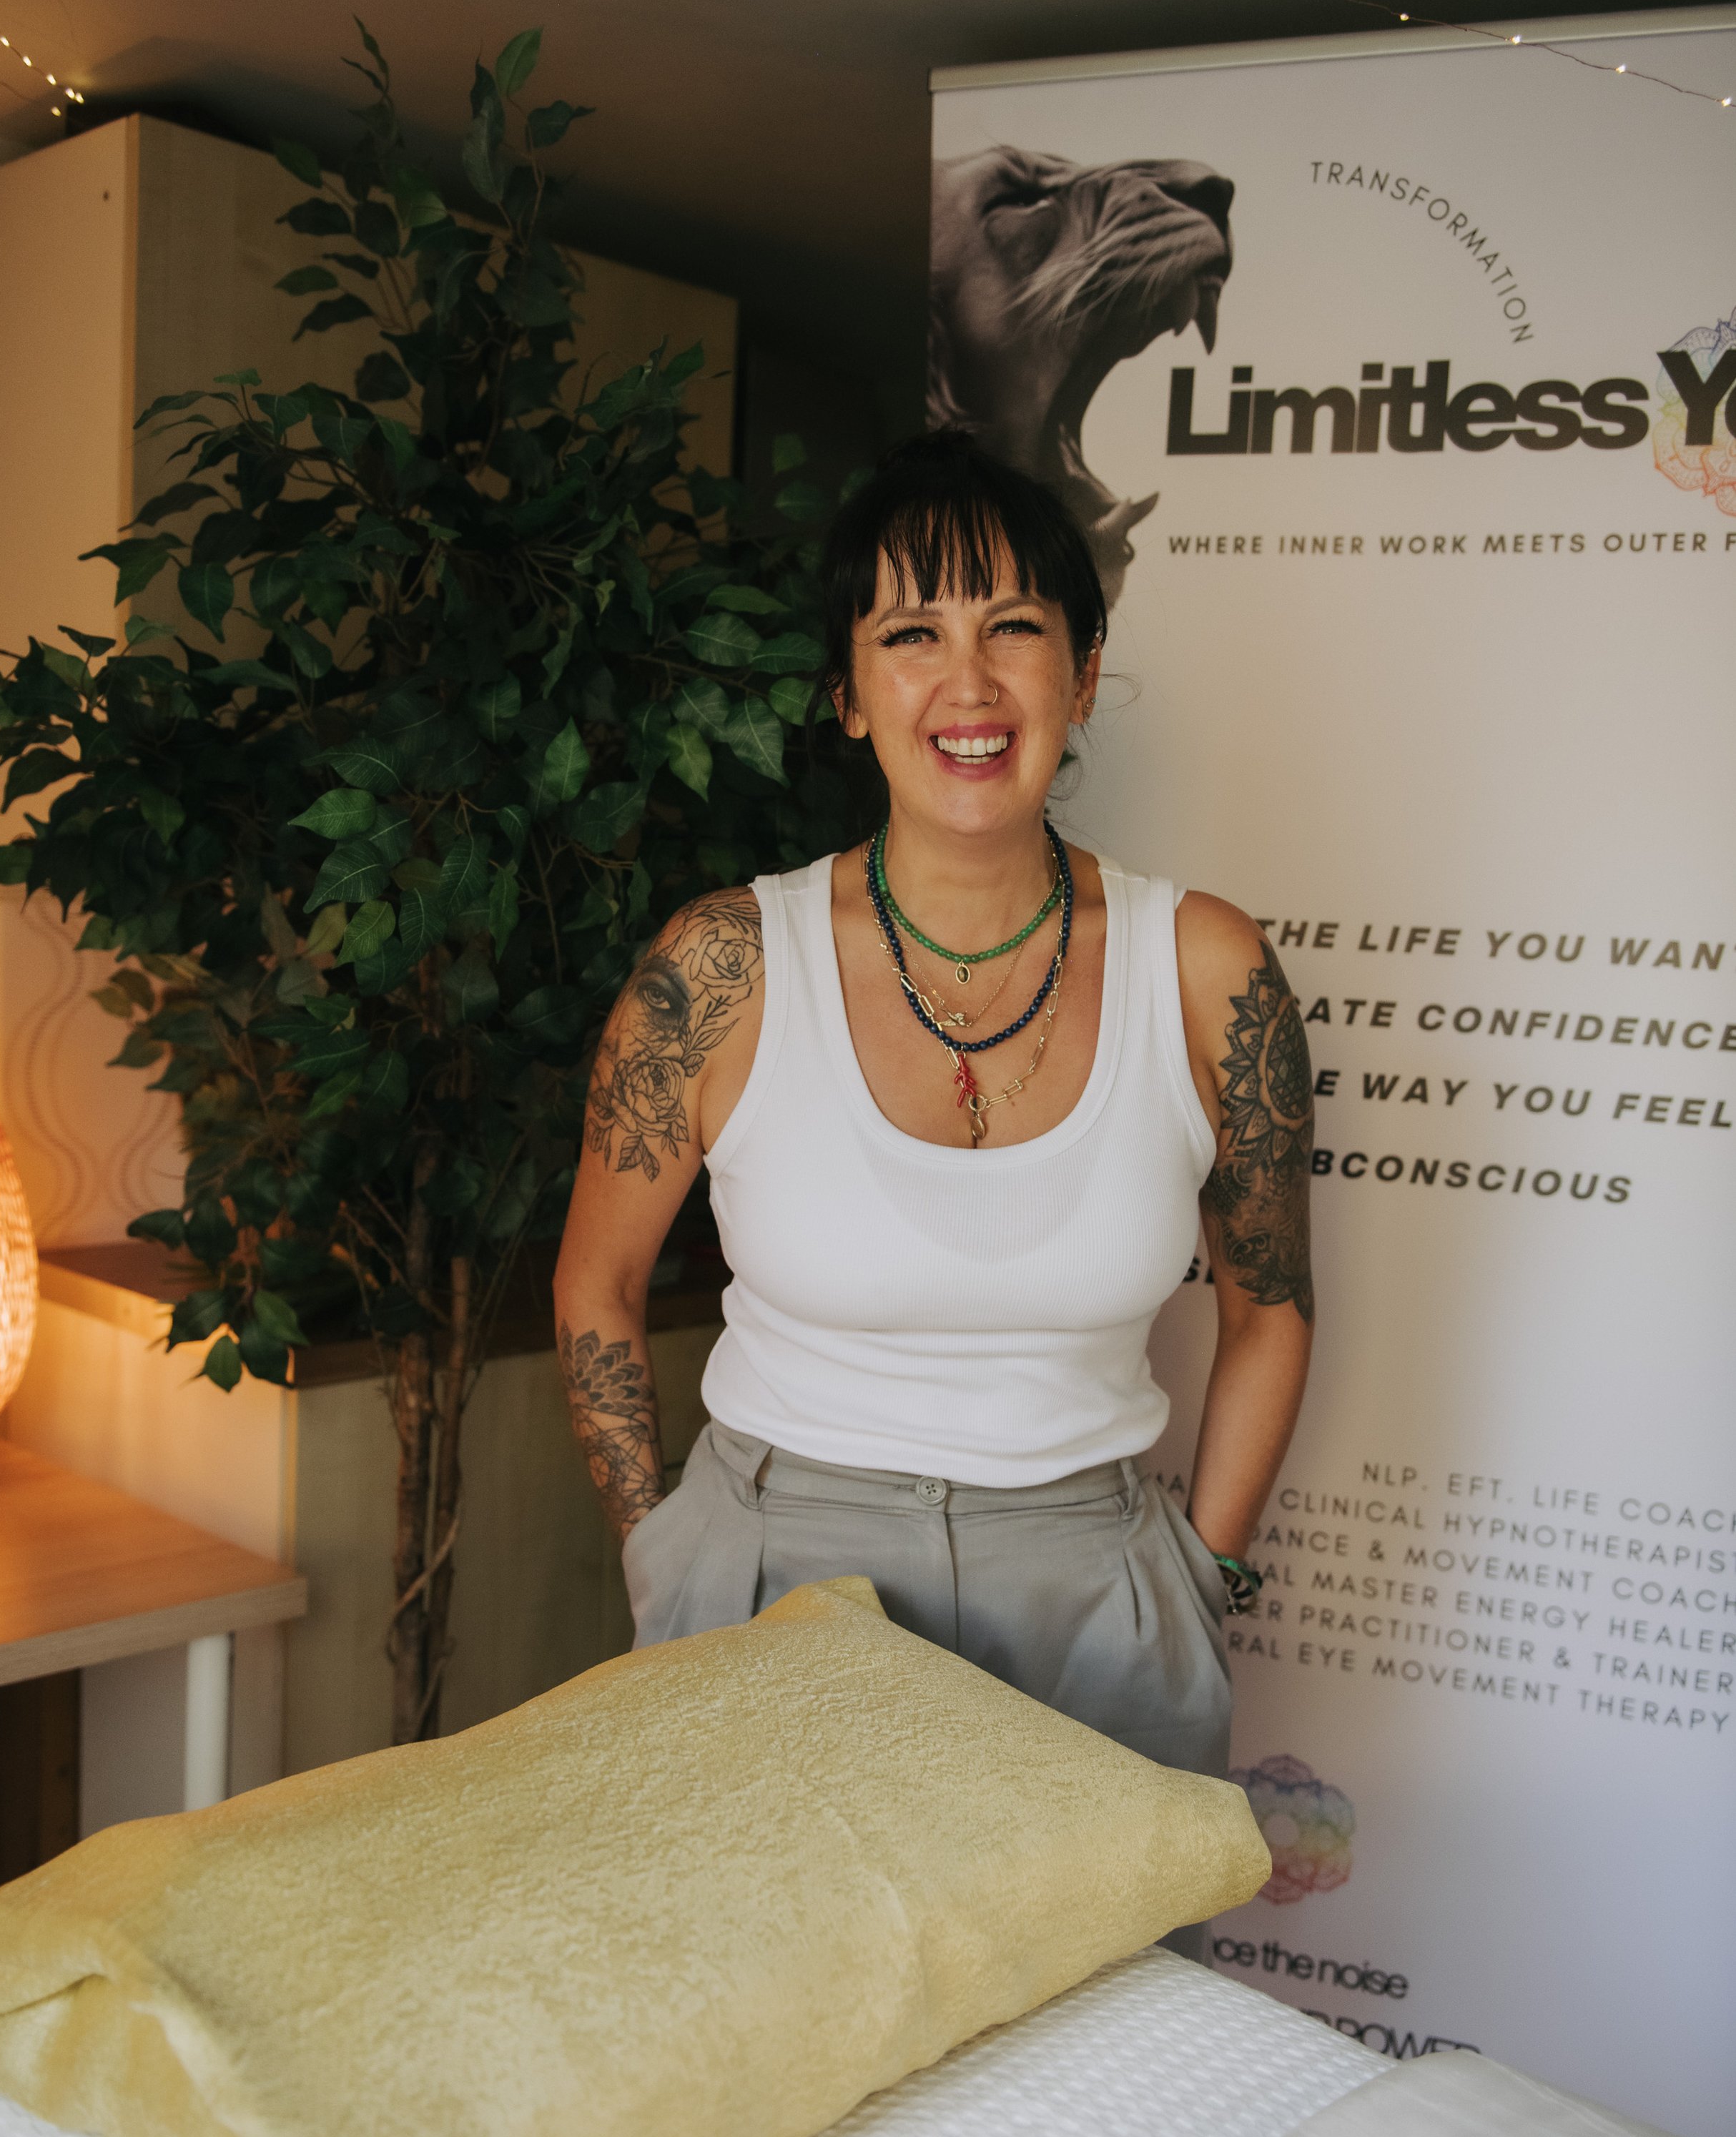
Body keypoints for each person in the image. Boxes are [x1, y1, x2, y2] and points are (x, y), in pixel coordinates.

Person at [553, 430, 1313, 1798]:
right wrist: (661, 1551)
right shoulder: (720, 966)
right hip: (771, 1573)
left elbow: (1272, 1307)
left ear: (1081, 676)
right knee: (776, 2004)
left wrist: (1203, 1574)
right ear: (848, 691)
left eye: (1014, 625)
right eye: (912, 631)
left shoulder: (1209, 969)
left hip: (1097, 1600)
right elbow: (597, 1282)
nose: (968, 682)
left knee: (1107, 2012)